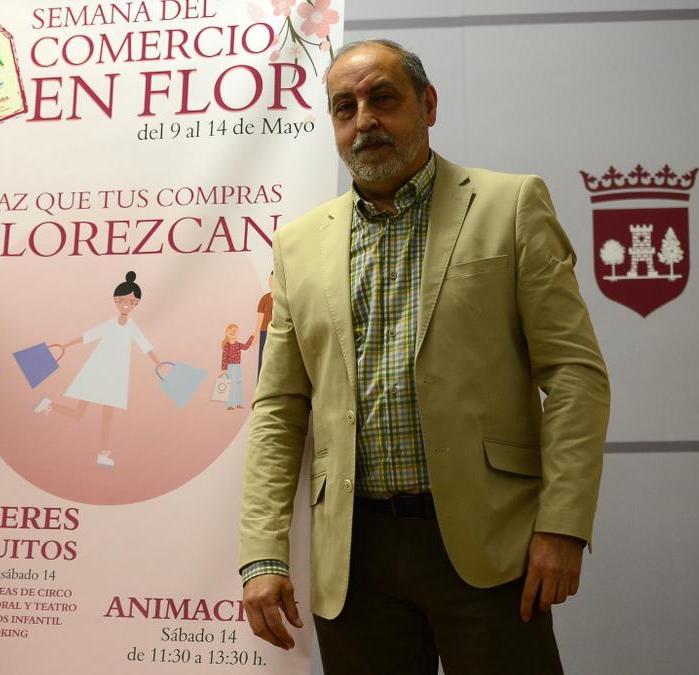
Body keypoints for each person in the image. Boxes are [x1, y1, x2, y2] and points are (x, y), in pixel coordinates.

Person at [238, 40, 610, 674]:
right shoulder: (298, 244)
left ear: (428, 104)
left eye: (383, 98)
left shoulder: (510, 206)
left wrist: (563, 525)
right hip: (353, 558)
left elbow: (575, 375)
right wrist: (263, 554)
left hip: (490, 544)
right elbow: (278, 409)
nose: (365, 122)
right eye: (345, 108)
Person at [34, 271, 163, 468]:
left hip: (115, 376)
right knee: (78, 414)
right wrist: (66, 346)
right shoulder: (111, 324)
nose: (128, 305)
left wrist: (157, 363)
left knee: (107, 417)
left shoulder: (132, 326)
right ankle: (49, 405)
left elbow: (145, 346)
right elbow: (88, 336)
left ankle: (101, 453)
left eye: (134, 302)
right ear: (116, 300)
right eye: (125, 300)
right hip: (96, 371)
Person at [219, 324, 255, 410]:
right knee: (230, 385)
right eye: (231, 331)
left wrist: (252, 337)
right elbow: (224, 357)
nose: (233, 333)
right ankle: (230, 404)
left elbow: (246, 347)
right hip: (229, 367)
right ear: (227, 333)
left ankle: (239, 403)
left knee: (238, 384)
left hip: (237, 367)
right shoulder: (226, 345)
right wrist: (224, 369)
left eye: (235, 332)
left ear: (237, 334)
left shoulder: (238, 344)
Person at [254, 273, 273, 378]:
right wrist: (256, 334)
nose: (271, 282)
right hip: (264, 332)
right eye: (270, 279)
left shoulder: (282, 299)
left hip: (277, 333)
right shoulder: (265, 298)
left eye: (274, 280)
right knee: (262, 359)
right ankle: (260, 386)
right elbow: (260, 317)